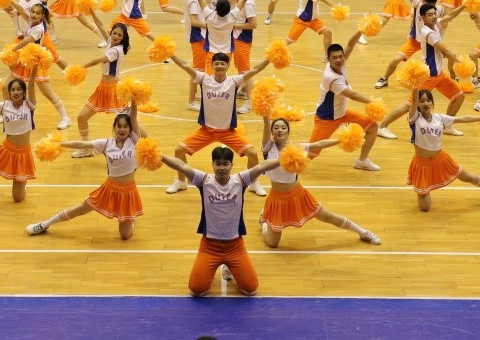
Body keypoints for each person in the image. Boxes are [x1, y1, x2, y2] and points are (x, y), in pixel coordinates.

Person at [159, 147, 280, 297]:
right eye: (218, 164)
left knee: (251, 289)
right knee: (196, 289)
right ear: (212, 164)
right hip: (209, 247)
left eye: (225, 164)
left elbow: (262, 166)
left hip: (235, 246)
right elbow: (181, 165)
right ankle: (216, 267)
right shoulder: (204, 180)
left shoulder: (240, 180)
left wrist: (283, 160)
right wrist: (160, 156)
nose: (222, 168)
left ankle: (229, 267)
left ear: (231, 165)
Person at [256, 110, 381, 246]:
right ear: (272, 132)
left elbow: (320, 144)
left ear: (288, 131)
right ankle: (264, 222)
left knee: (327, 216)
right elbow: (266, 123)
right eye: (276, 128)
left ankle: (363, 232)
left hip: (298, 194)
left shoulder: (297, 147)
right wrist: (266, 112)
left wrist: (341, 139)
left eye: (283, 127)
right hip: (277, 199)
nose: (279, 130)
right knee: (273, 243)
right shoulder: (268, 148)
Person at [26, 100, 147, 240]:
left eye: (126, 126)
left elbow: (133, 115)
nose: (122, 129)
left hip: (128, 191)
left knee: (124, 235)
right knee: (81, 209)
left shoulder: (134, 140)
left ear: (131, 129)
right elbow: (83, 145)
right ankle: (44, 224)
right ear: (114, 127)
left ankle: (130, 219)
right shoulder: (107, 143)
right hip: (109, 188)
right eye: (119, 126)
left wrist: (134, 98)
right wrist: (61, 144)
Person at [166, 51, 272, 195]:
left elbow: (255, 70)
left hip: (228, 132)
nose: (220, 66)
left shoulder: (234, 81)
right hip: (206, 131)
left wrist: (269, 59)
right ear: (212, 65)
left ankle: (253, 183)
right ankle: (181, 181)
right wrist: (171, 55)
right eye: (217, 63)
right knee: (179, 151)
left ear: (228, 65)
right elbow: (185, 65)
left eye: (223, 63)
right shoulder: (204, 79)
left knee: (253, 154)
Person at [406, 88, 480, 210]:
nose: (425, 104)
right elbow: (413, 99)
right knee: (425, 207)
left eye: (428, 100)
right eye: (421, 101)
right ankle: (425, 188)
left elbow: (464, 119)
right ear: (417, 103)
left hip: (440, 159)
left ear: (432, 102)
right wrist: (416, 85)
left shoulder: (439, 118)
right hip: (422, 164)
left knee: (468, 177)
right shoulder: (414, 118)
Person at [377, 1, 468, 139]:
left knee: (459, 96)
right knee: (409, 105)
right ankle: (382, 126)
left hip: (439, 75)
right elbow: (444, 50)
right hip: (429, 76)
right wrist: (459, 62)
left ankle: (447, 126)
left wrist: (464, 5)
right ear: (423, 18)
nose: (434, 17)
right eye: (430, 15)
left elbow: (450, 16)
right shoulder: (428, 32)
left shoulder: (434, 24)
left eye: (435, 14)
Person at [188, 0, 261, 114]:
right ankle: (228, 99)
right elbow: (243, 0)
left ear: (215, 8)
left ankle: (215, 104)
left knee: (214, 80)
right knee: (227, 76)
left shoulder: (210, 17)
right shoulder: (232, 16)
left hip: (215, 52)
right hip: (228, 51)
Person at [310, 33, 381, 171]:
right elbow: (353, 95)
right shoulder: (332, 78)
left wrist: (361, 30)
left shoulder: (339, 65)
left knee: (372, 127)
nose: (339, 60)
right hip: (327, 119)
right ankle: (281, 164)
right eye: (334, 58)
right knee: (310, 153)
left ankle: (362, 161)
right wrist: (372, 102)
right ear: (328, 59)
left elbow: (350, 43)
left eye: (340, 56)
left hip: (342, 114)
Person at [5, 0, 72, 130]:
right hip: (26, 60)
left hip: (36, 63)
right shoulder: (31, 22)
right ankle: (10, 112)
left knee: (48, 93)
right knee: (7, 85)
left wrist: (13, 49)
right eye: (32, 12)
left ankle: (65, 118)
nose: (34, 15)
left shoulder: (39, 29)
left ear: (42, 16)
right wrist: (10, 0)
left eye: (37, 13)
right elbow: (20, 9)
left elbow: (26, 41)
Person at [69, 22, 132, 156]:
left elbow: (95, 61)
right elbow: (100, 26)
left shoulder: (116, 50)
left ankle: (136, 147)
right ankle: (86, 149)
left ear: (123, 38)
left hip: (114, 90)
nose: (116, 36)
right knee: (81, 118)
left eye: (119, 35)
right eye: (114, 33)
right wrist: (91, 11)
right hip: (102, 88)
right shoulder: (110, 43)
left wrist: (79, 68)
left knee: (127, 122)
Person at [375, 0, 440, 90]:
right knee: (396, 59)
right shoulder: (418, 3)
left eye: (433, 4)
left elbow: (448, 17)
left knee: (447, 57)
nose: (431, 6)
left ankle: (452, 79)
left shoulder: (438, 10)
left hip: (430, 42)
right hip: (414, 41)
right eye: (429, 3)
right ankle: (384, 78)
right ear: (424, 1)